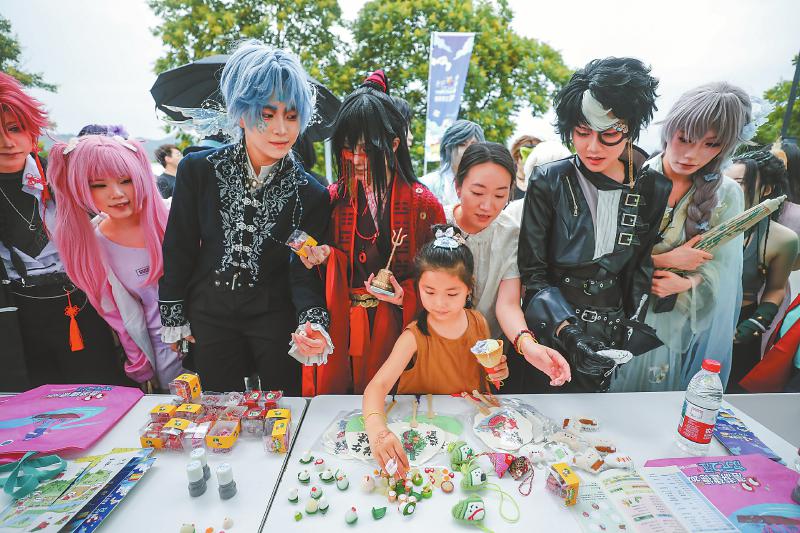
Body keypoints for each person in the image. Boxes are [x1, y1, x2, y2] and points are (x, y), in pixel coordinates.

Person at [158, 40, 332, 395]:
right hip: (209, 314)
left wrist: (312, 322)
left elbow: (303, 272)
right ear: (241, 113)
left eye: (292, 116)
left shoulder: (311, 192)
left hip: (275, 319)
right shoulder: (198, 169)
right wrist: (174, 311)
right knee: (219, 411)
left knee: (282, 409)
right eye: (267, 115)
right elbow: (179, 245)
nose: (281, 129)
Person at [518, 57, 671, 393]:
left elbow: (638, 268)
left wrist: (627, 330)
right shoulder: (549, 180)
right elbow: (534, 274)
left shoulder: (653, 188)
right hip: (552, 330)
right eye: (582, 132)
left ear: (631, 127)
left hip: (610, 333)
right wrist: (570, 334)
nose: (592, 147)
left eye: (609, 133)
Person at [299, 69, 445, 395]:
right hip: (345, 325)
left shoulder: (423, 204)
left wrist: (405, 295)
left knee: (392, 405)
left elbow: (442, 276)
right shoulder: (335, 197)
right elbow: (315, 269)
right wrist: (327, 256)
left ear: (394, 144)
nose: (356, 159)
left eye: (367, 149)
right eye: (348, 148)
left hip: (397, 329)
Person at [611, 82, 752, 391]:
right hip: (615, 313)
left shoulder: (727, 194)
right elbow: (598, 258)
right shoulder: (628, 178)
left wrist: (688, 282)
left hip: (671, 322)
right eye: (684, 139)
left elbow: (725, 268)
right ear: (669, 130)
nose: (692, 154)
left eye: (711, 144)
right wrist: (664, 260)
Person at [0, 72, 130, 390]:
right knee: (37, 401)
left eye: (14, 128)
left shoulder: (65, 174)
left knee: (101, 392)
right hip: (17, 314)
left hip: (81, 303)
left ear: (32, 129)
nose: (7, 142)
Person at [362, 225, 509, 477]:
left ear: (469, 288)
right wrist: (378, 431)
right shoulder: (413, 337)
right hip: (421, 436)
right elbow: (377, 387)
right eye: (429, 292)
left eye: (452, 293)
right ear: (418, 287)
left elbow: (485, 377)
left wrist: (498, 373)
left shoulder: (479, 323)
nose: (440, 303)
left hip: (470, 436)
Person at [48, 134, 187, 389]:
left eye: (126, 180)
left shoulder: (178, 217)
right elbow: (116, 315)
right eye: (98, 185)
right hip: (164, 354)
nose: (117, 193)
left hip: (215, 339)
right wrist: (140, 365)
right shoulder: (94, 246)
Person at [445, 141, 571, 390]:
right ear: (458, 186)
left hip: (488, 356)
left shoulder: (510, 233)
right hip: (435, 350)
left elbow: (508, 304)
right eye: (478, 193)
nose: (487, 206)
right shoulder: (437, 221)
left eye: (500, 195)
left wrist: (529, 346)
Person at [725, 149, 798, 391]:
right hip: (694, 321)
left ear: (766, 190)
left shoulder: (781, 238)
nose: (728, 188)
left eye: (739, 183)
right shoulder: (701, 225)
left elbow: (776, 288)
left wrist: (757, 322)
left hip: (741, 325)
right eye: (723, 180)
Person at [420, 119, 485, 206]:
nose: (468, 150)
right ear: (448, 148)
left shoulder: (488, 185)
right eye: (462, 144)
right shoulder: (426, 184)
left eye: (473, 145)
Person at [509, 134, 541, 200]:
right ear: (516, 158)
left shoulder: (547, 186)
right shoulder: (508, 184)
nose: (530, 163)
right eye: (526, 156)